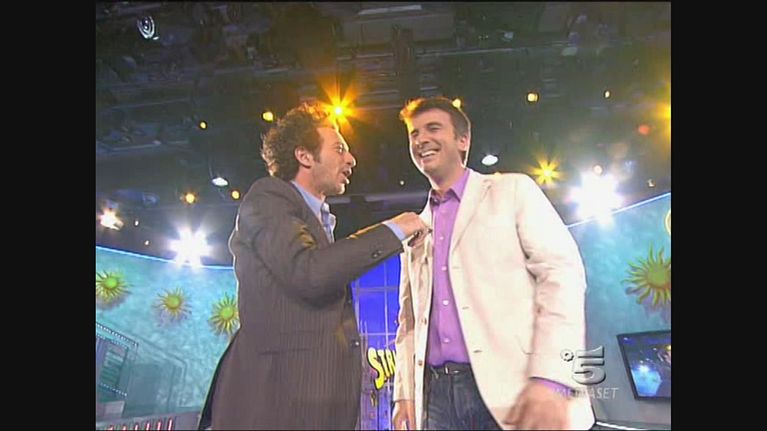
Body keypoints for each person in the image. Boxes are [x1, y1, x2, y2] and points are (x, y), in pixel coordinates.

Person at [198, 102, 428, 430]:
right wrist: (394, 230)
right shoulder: (268, 199)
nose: (351, 160)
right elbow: (309, 273)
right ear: (304, 156)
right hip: (274, 404)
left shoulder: (316, 221)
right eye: (339, 149)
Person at [391, 96, 594, 430]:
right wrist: (404, 395)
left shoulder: (512, 190)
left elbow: (562, 276)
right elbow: (408, 321)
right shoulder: (417, 228)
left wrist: (552, 379)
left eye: (433, 128)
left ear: (463, 140)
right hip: (435, 396)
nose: (421, 139)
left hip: (513, 388)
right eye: (414, 133)